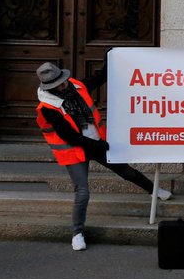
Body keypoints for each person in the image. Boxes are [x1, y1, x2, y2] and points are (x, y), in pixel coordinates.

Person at [35, 62, 170, 251]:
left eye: (64, 81)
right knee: (82, 192)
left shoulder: (76, 85)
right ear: (50, 88)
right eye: (59, 85)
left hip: (96, 142)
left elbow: (99, 78)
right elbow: (69, 136)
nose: (64, 85)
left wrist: (110, 58)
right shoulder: (48, 107)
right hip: (76, 150)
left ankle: (154, 191)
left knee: (126, 171)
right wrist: (98, 145)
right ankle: (77, 234)